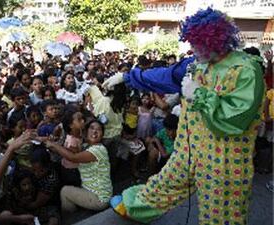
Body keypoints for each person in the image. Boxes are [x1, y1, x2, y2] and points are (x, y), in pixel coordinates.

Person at [108, 8, 265, 225]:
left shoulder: (246, 70)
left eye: (197, 43)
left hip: (224, 160)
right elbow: (165, 75)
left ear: (215, 40)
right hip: (189, 148)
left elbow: (236, 117)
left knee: (222, 212)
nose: (192, 48)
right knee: (166, 183)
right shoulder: (196, 63)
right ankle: (135, 208)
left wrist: (198, 94)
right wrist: (127, 77)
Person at [44, 120, 113, 214]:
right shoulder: (89, 147)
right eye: (92, 128)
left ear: (102, 135)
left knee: (65, 191)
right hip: (97, 192)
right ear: (86, 131)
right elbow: (71, 151)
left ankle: (73, 218)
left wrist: (54, 145)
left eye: (99, 130)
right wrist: (51, 144)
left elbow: (73, 157)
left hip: (99, 198)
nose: (94, 132)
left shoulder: (98, 150)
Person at [60, 108, 85, 187]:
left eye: (83, 119)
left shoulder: (79, 131)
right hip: (71, 169)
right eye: (79, 120)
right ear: (71, 125)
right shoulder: (71, 141)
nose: (83, 121)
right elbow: (77, 154)